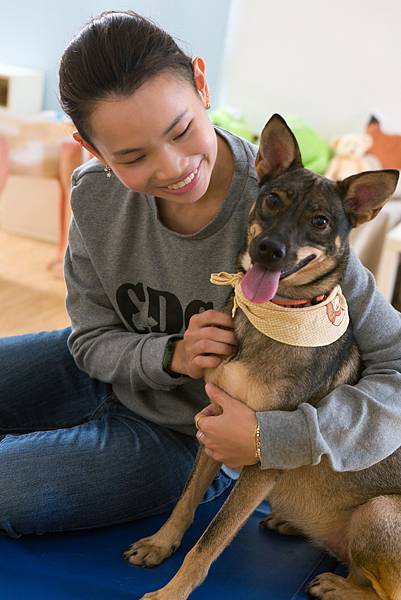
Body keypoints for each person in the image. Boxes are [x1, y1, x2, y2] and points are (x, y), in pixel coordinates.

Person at [1, 10, 401, 539]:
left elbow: (395, 371)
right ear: (90, 146)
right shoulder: (95, 194)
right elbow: (91, 337)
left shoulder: (289, 214)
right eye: (133, 155)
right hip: (103, 373)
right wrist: (171, 354)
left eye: (181, 130)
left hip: (184, 439)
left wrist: (273, 437)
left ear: (201, 83)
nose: (171, 167)